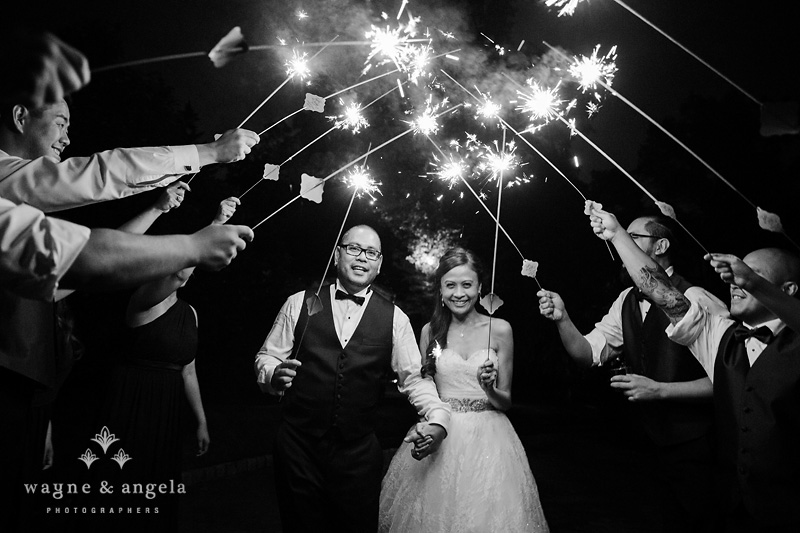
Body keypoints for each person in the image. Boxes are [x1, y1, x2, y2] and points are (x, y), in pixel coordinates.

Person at [586, 202, 800, 532]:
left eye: (752, 274)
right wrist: (617, 236)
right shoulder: (723, 336)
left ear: (787, 291)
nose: (735, 280)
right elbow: (665, 294)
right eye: (737, 274)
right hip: (732, 505)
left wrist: (754, 283)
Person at [254, 224, 451, 533]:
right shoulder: (299, 302)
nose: (362, 258)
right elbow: (267, 356)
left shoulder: (394, 318)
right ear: (337, 255)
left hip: (358, 455)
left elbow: (414, 379)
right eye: (354, 249)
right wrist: (272, 373)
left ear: (379, 264)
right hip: (298, 448)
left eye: (371, 253)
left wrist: (438, 418)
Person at [537, 213, 726, 531]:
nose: (619, 243)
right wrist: (562, 318)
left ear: (661, 244)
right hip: (646, 443)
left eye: (632, 237)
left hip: (698, 443)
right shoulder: (625, 299)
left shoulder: (695, 298)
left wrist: (660, 390)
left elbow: (728, 381)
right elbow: (589, 354)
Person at [81, 197, 237, 531]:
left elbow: (189, 369)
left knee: (158, 485)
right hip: (131, 400)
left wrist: (201, 421)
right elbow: (181, 271)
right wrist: (218, 222)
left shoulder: (190, 313)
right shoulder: (141, 301)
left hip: (168, 406)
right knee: (124, 486)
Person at [379, 247, 550, 533]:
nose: (459, 293)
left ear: (480, 287)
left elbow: (505, 401)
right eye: (451, 285)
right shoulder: (429, 331)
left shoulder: (500, 330)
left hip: (490, 440)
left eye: (467, 285)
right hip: (442, 432)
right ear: (441, 290)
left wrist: (489, 388)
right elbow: (423, 389)